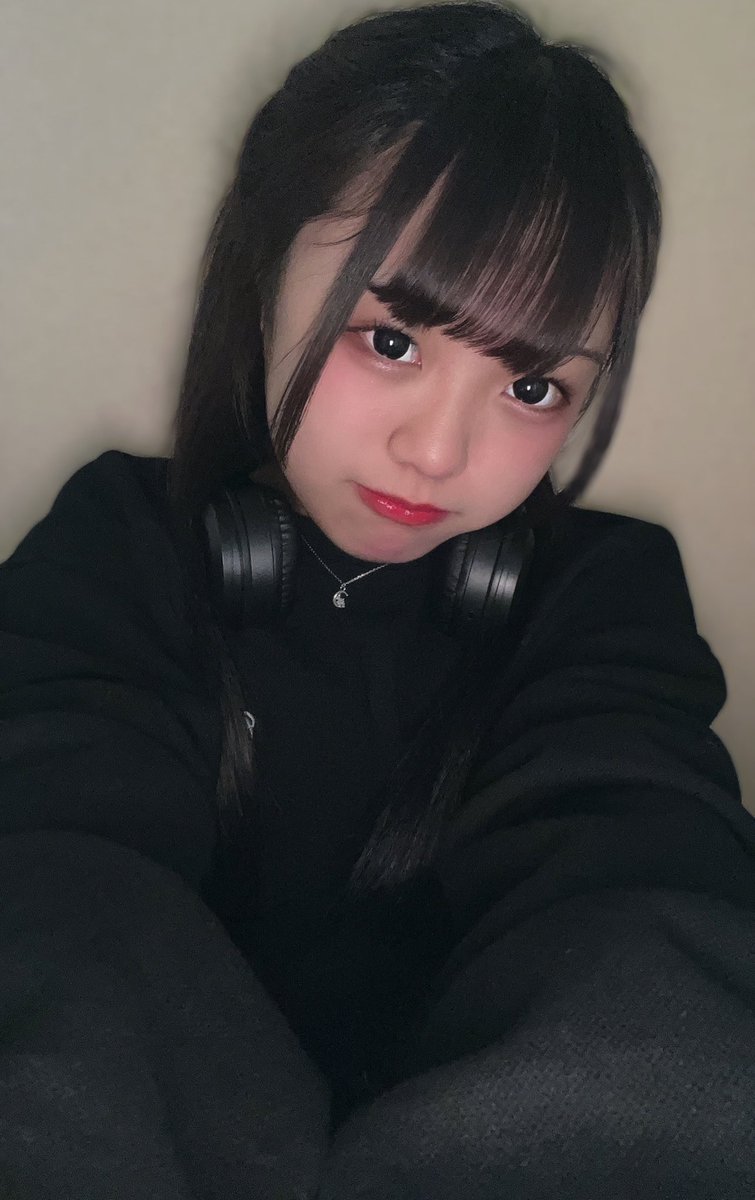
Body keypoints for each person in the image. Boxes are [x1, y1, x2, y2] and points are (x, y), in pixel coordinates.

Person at [1, 2, 754, 1196]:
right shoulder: (120, 546)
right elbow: (53, 880)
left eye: (534, 386)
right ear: (262, 280)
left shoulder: (602, 596)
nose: (439, 453)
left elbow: (640, 881)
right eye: (390, 340)